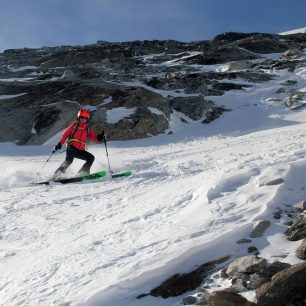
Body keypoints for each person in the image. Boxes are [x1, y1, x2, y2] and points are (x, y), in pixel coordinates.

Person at [52, 109, 105, 179]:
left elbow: (95, 139)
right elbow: (65, 135)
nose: (83, 119)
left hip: (80, 150)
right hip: (72, 147)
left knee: (91, 158)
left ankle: (82, 173)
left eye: (85, 118)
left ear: (87, 119)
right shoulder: (74, 125)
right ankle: (56, 176)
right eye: (82, 117)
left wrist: (100, 136)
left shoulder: (88, 129)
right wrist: (60, 144)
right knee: (68, 161)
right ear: (79, 117)